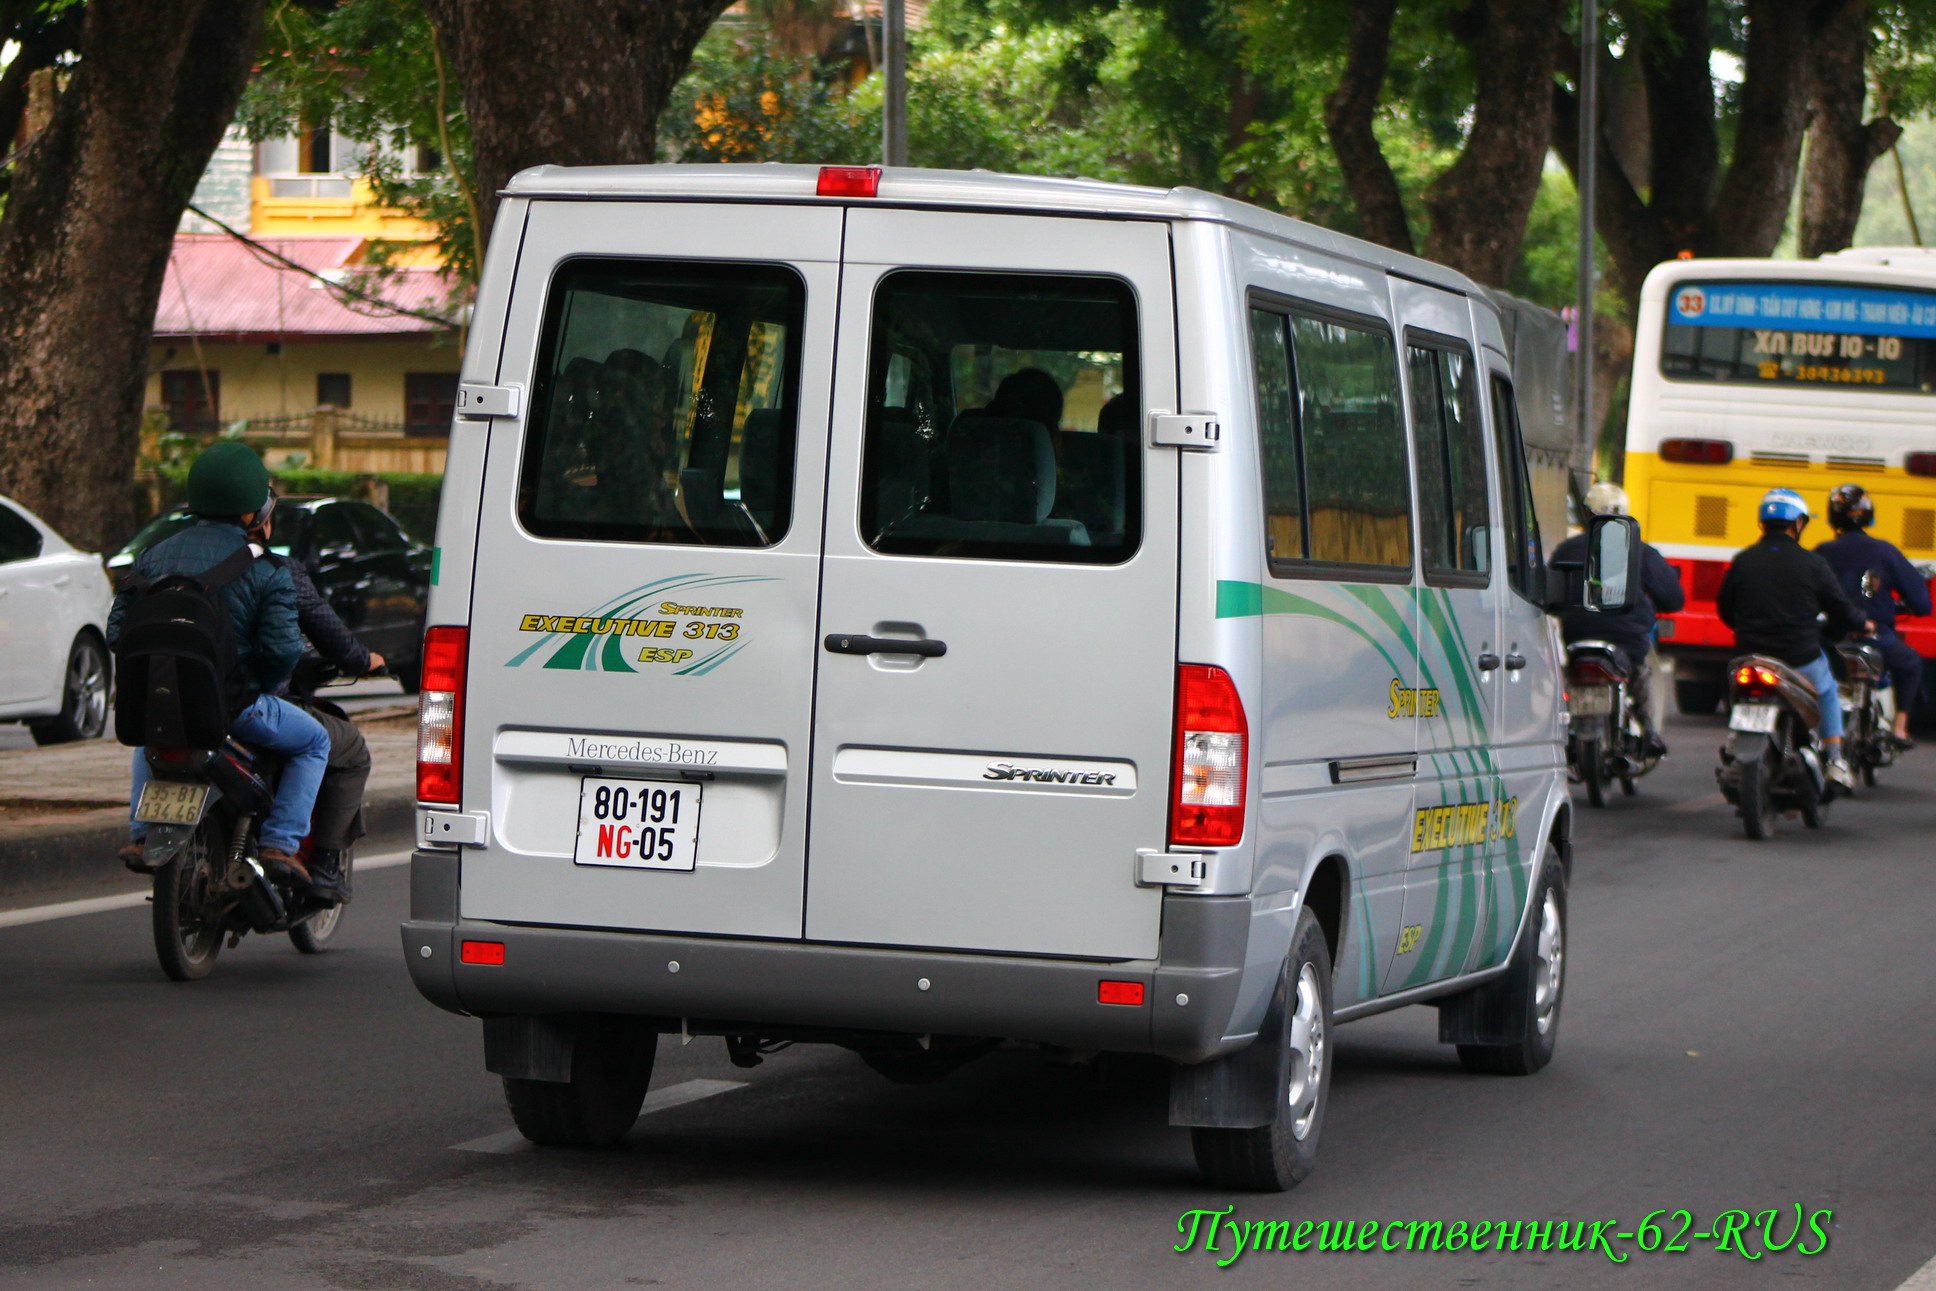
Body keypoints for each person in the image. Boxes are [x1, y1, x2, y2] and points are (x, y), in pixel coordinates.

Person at [109, 442, 332, 890]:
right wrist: (263, 689)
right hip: (235, 707)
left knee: (156, 731)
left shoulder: (153, 557)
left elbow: (118, 634)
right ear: (255, 511)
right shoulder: (266, 569)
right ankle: (280, 845)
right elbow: (282, 650)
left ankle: (141, 834)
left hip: (157, 701)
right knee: (315, 742)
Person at [248, 502, 386, 902]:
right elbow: (314, 638)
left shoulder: (166, 560)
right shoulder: (277, 570)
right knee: (338, 744)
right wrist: (363, 660)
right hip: (247, 702)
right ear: (256, 521)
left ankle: (144, 833)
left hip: (174, 701)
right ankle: (317, 861)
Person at [1716, 487, 1869, 787]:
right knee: (1826, 688)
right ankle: (1836, 758)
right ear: (1797, 524)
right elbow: (1840, 607)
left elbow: (1725, 609)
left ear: (1763, 522)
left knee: (1739, 695)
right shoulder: (1812, 563)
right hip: (1800, 657)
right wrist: (1861, 622)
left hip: (1751, 655)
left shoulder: (1743, 560)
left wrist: (1749, 630)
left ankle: (1736, 751)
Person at [1549, 482, 1684, 756]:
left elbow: (1549, 594)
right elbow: (1673, 598)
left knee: (1563, 679)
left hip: (1576, 636)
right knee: (1643, 672)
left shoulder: (1567, 549)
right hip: (1627, 640)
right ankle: (1649, 732)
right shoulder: (1642, 551)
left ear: (1586, 513)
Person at [1816, 482, 1930, 746]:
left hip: (1831, 639)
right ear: (1869, 515)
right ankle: (1900, 728)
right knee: (1912, 664)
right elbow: (1922, 604)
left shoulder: (1821, 552)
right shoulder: (1885, 552)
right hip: (1874, 638)